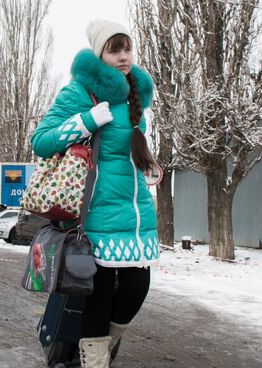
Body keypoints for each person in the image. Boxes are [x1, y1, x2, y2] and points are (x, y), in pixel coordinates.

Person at [31, 20, 159, 367]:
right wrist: (87, 119)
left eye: (127, 48)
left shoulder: (135, 96)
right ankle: (95, 360)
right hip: (96, 214)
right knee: (98, 297)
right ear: (99, 54)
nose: (122, 56)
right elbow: (40, 141)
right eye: (114, 49)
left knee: (136, 287)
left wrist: (148, 165)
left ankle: (106, 345)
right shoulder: (79, 92)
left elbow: (124, 152)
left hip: (136, 214)